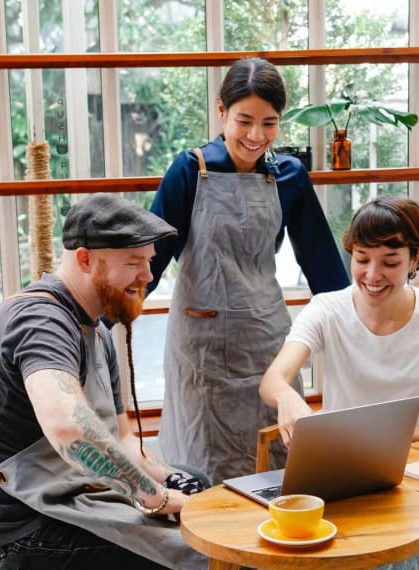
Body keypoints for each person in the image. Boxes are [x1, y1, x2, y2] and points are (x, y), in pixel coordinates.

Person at [0, 194, 212, 570]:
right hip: (22, 534)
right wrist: (154, 498)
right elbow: (68, 427)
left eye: (149, 261)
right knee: (211, 558)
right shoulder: (40, 321)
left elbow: (123, 437)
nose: (147, 276)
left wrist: (170, 481)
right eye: (133, 263)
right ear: (84, 260)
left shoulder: (96, 328)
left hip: (66, 499)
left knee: (199, 485)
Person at [259, 196, 419, 570]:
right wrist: (288, 397)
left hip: (410, 481)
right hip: (335, 479)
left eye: (390, 262)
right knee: (277, 555)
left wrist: (393, 443)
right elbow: (273, 380)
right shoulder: (327, 308)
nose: (372, 275)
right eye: (362, 259)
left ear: (414, 260)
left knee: (389, 559)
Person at [148, 57, 349, 486]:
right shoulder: (190, 171)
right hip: (200, 353)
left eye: (269, 123)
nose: (256, 136)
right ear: (221, 112)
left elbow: (325, 269)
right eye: (244, 121)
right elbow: (149, 261)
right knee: (203, 474)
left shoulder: (290, 177)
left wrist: (364, 325)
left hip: (266, 345)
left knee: (276, 470)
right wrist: (94, 318)